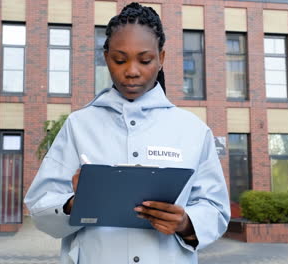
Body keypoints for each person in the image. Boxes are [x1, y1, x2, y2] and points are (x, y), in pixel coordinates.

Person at [24, 3, 230, 264]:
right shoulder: (78, 125)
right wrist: (73, 205)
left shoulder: (193, 130)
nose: (132, 71)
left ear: (161, 58)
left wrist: (185, 222)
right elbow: (40, 205)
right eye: (120, 59)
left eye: (145, 60)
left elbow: (216, 209)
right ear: (106, 56)